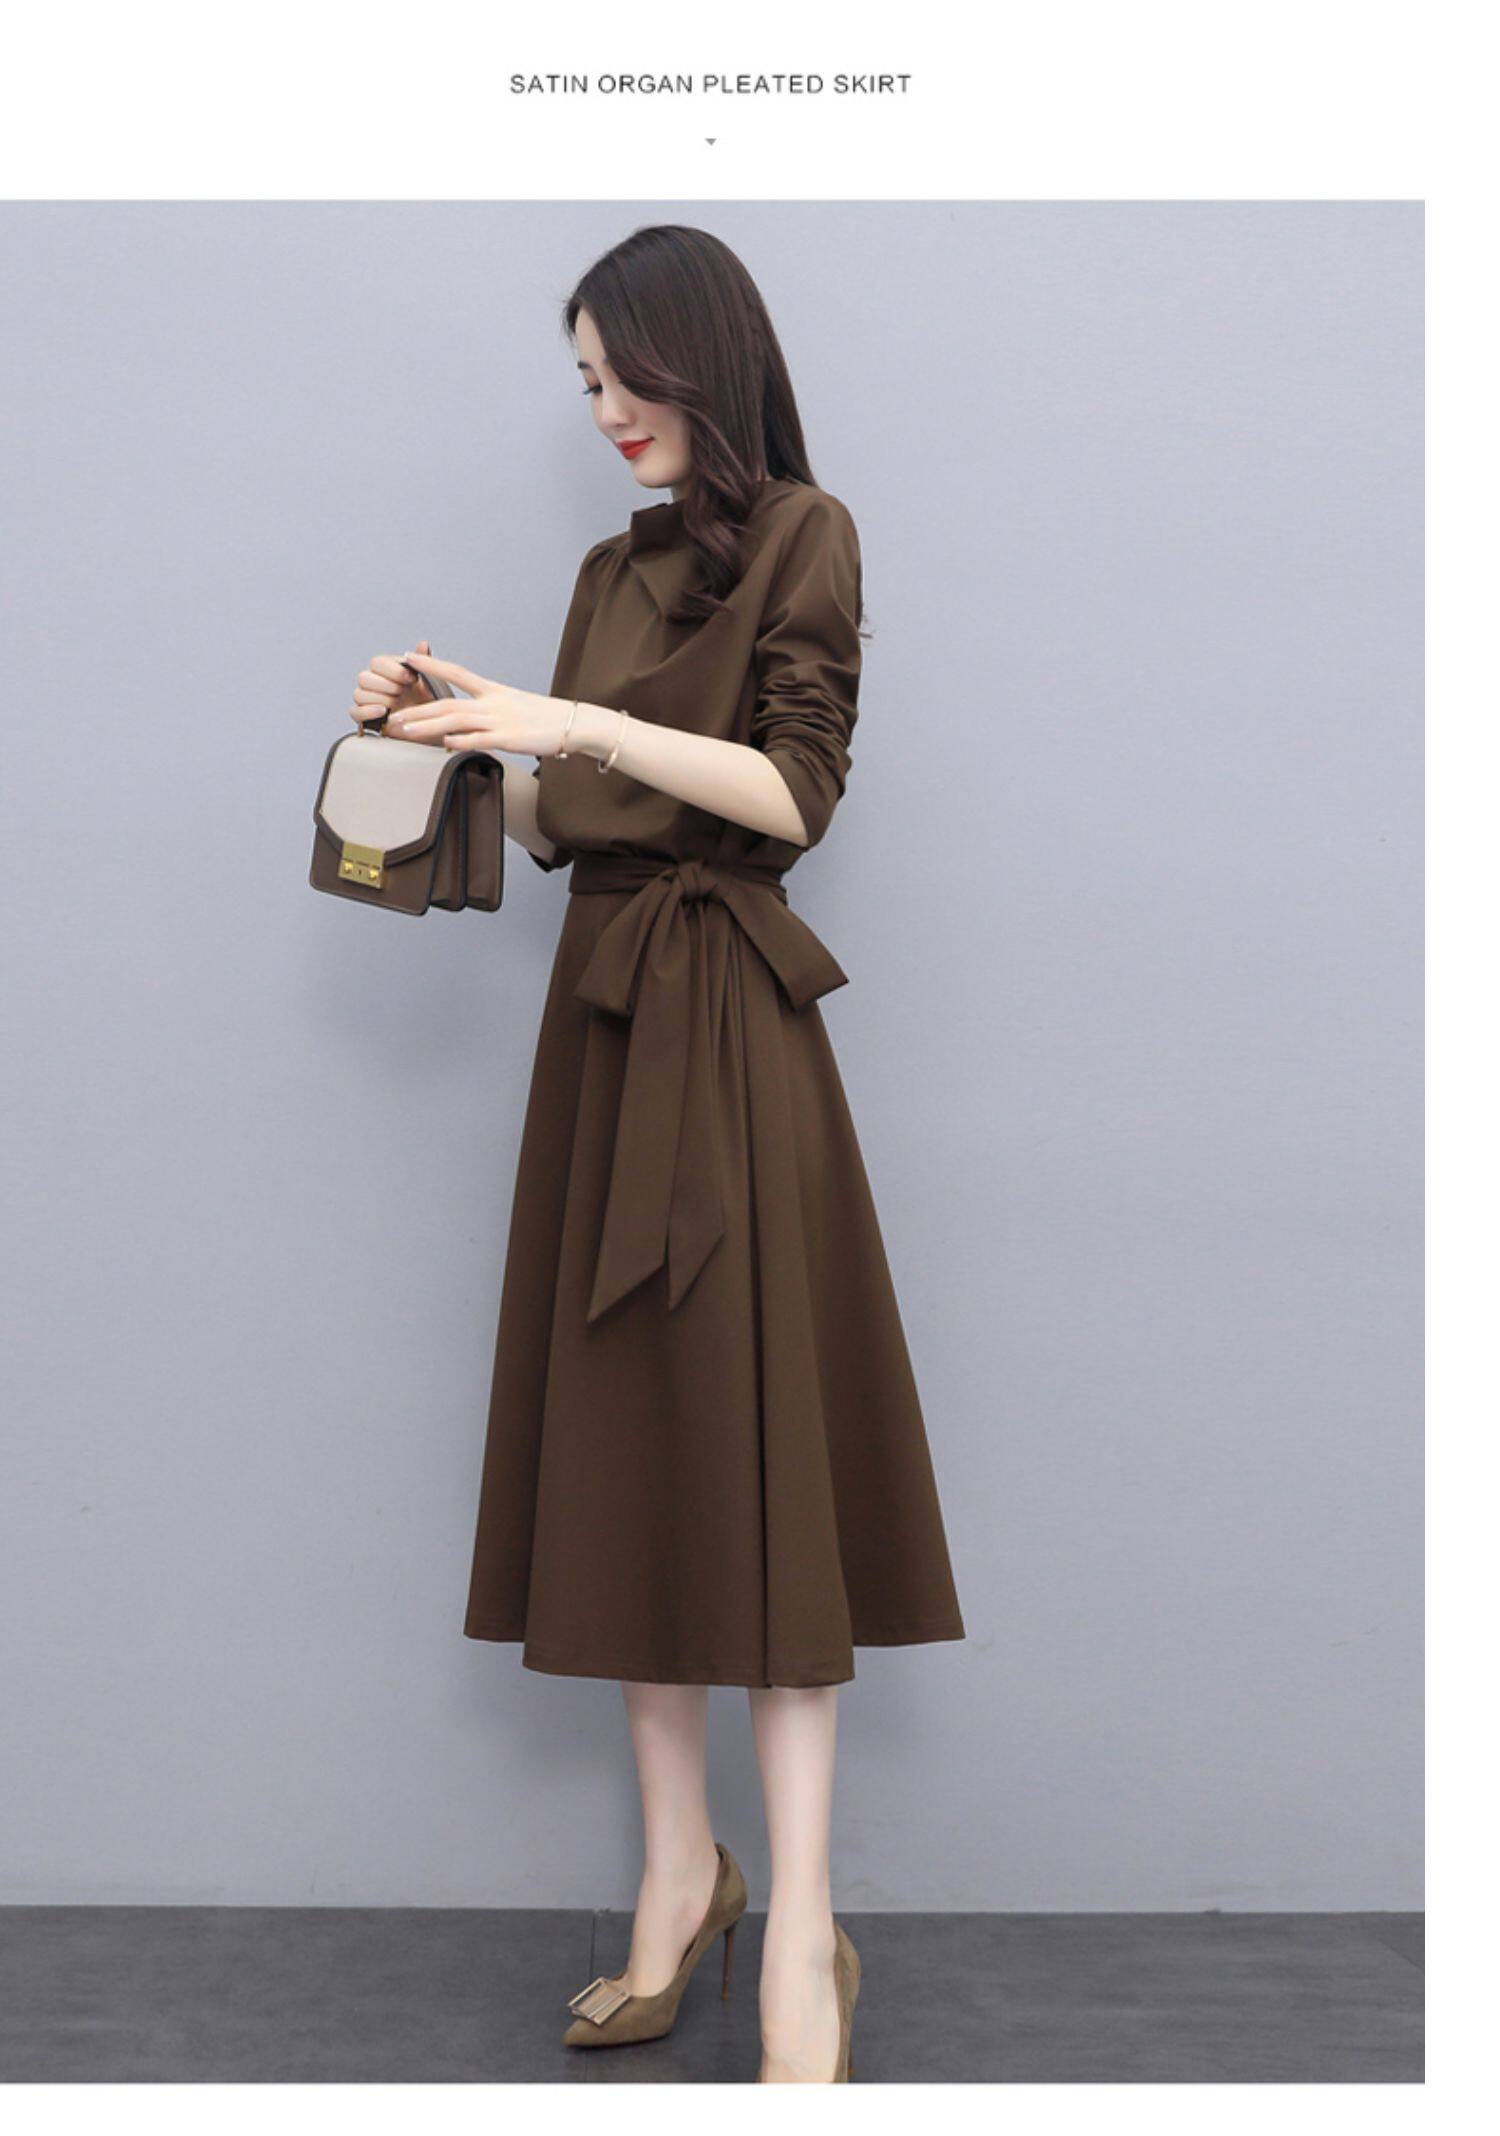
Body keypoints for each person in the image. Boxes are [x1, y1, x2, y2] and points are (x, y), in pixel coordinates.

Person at [349, 223, 965, 2084]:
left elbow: (794, 795)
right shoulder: (605, 570)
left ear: (705, 357)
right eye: (587, 385)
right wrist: (461, 744)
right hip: (605, 1036)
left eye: (626, 375)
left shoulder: (809, 535)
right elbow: (569, 822)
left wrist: (573, 720)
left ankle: (804, 1933)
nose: (608, 411)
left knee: (762, 1473)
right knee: (633, 1462)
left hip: (734, 1041)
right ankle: (676, 1882)